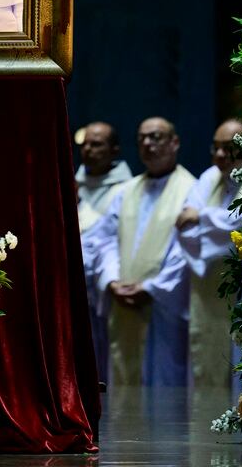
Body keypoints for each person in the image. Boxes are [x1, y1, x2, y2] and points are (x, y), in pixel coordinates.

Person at [90, 117, 195, 386]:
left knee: (165, 389)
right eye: (142, 139)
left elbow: (186, 251)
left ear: (175, 142)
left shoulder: (192, 191)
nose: (148, 144)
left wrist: (152, 288)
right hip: (123, 303)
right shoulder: (124, 191)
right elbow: (105, 241)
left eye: (156, 137)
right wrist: (111, 281)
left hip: (163, 309)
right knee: (123, 390)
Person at [176, 118, 242, 391]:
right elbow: (184, 228)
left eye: (228, 148)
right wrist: (214, 226)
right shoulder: (208, 178)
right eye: (215, 148)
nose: (219, 155)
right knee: (208, 363)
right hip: (207, 286)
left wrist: (202, 217)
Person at [76, 121, 132, 382]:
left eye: (96, 144)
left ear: (114, 150)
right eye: (85, 143)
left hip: (106, 286)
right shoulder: (74, 184)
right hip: (73, 287)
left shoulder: (127, 189)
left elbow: (107, 238)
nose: (88, 149)